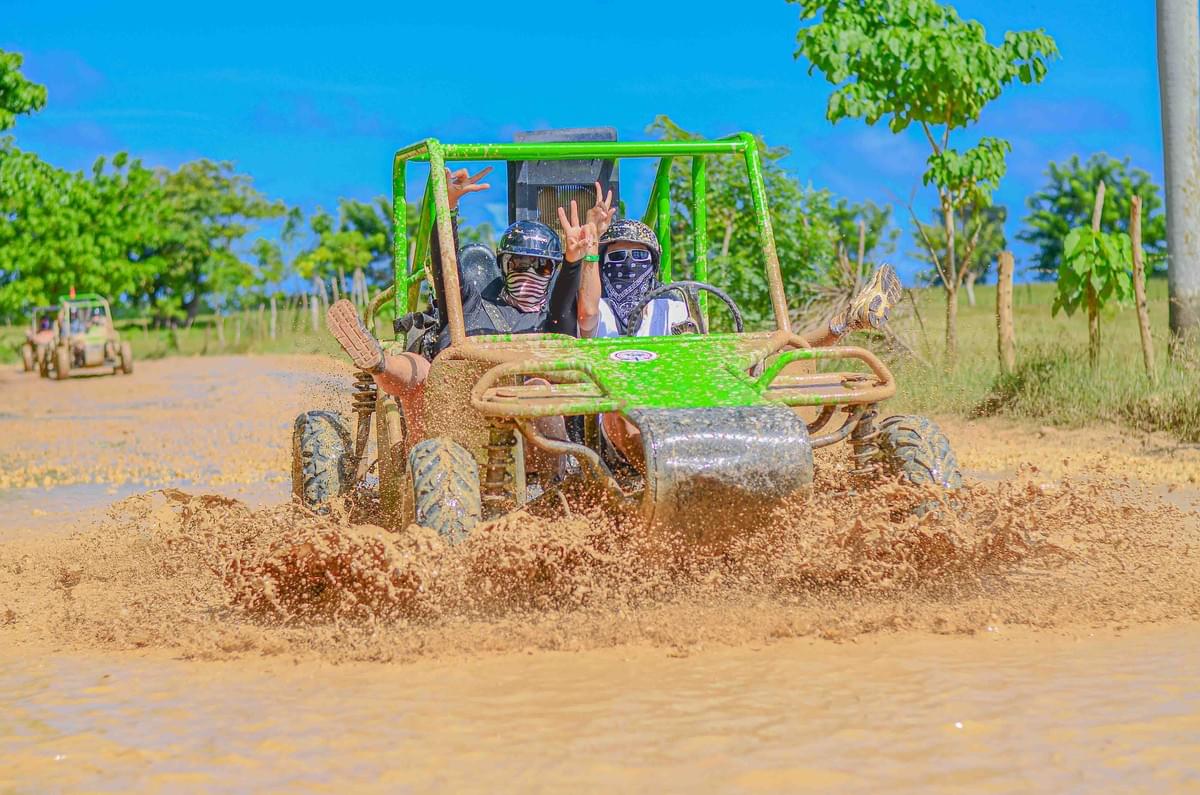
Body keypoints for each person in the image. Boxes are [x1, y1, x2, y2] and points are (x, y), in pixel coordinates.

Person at [574, 190, 903, 470]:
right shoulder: (597, 310)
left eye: (638, 256)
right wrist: (590, 246)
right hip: (619, 414)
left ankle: (845, 322)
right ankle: (675, 481)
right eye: (617, 257)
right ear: (602, 263)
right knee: (627, 417)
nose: (628, 265)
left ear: (653, 265)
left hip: (675, 405)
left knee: (774, 352)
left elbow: (696, 356)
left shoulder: (671, 306)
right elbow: (587, 311)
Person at [326, 166, 598, 439]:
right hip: (449, 433)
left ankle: (548, 474)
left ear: (554, 271)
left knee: (539, 386)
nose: (529, 273)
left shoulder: (552, 322)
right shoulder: (469, 306)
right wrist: (448, 209)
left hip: (531, 438)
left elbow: (565, 304)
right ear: (503, 265)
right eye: (519, 263)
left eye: (541, 267)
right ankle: (378, 363)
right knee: (420, 369)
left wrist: (574, 261)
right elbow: (448, 272)